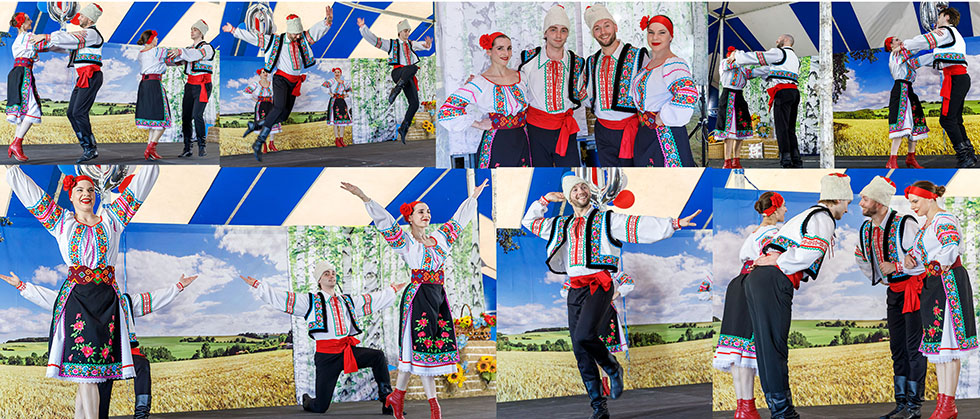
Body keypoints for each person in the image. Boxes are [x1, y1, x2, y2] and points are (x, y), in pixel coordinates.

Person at [521, 173, 701, 419]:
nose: (581, 191)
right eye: (575, 190)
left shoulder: (606, 219)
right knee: (579, 350)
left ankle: (611, 365)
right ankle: (599, 408)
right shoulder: (561, 224)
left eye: (584, 187)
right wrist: (544, 200)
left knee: (585, 335)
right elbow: (529, 222)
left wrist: (674, 224)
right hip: (575, 289)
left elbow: (638, 225)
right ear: (569, 197)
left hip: (600, 283)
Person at [6, 164, 159, 418]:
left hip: (107, 302)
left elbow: (138, 189)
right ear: (71, 195)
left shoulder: (113, 220)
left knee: (91, 373)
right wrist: (13, 172)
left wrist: (150, 163)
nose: (86, 193)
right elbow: (34, 196)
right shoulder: (61, 222)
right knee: (85, 374)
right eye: (79, 189)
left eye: (90, 189)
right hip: (77, 302)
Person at [341, 178, 488, 419]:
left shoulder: (441, 239)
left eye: (428, 211)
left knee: (426, 352)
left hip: (438, 298)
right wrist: (364, 197)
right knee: (414, 351)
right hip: (418, 296)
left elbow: (459, 221)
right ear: (410, 217)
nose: (426, 214)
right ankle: (433, 406)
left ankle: (398, 397)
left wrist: (473, 197)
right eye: (421, 211)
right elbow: (386, 222)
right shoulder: (406, 243)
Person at [0, 272, 197, 419]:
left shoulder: (123, 301)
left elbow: (152, 299)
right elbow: (54, 299)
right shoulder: (79, 299)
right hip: (100, 357)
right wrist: (22, 287)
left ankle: (141, 412)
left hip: (122, 353)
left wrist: (178, 286)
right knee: (95, 389)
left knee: (142, 365)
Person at [744, 173, 852, 419]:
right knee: (775, 347)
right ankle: (783, 412)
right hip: (773, 280)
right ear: (837, 199)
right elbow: (809, 251)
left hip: (760, 280)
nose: (847, 209)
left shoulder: (805, 215)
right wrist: (780, 260)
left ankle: (779, 409)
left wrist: (774, 259)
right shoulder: (823, 218)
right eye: (847, 202)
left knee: (766, 348)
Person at [240, 261, 406, 415]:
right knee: (320, 407)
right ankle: (307, 401)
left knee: (377, 356)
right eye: (326, 273)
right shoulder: (310, 301)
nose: (331, 275)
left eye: (333, 273)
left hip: (346, 351)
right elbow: (284, 298)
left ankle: (388, 402)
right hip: (326, 358)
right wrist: (259, 286)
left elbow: (371, 300)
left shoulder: (346, 301)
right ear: (319, 279)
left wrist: (391, 290)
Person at [853, 176, 928, 419]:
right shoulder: (866, 229)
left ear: (880, 202)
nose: (861, 203)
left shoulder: (905, 223)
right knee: (897, 348)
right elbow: (861, 256)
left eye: (865, 198)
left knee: (914, 349)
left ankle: (914, 407)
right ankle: (902, 403)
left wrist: (895, 266)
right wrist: (878, 275)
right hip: (893, 291)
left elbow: (921, 259)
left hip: (913, 290)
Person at [904, 181, 978, 418]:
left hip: (948, 283)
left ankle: (948, 405)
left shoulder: (944, 220)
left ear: (930, 198)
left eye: (915, 201)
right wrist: (908, 260)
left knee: (949, 344)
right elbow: (919, 258)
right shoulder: (926, 226)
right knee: (941, 348)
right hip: (934, 284)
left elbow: (951, 245)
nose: (912, 206)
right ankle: (945, 405)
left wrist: (936, 263)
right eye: (910, 202)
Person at [224, 6, 333, 161]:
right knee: (279, 107)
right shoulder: (276, 41)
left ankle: (255, 125)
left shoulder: (302, 39)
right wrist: (235, 31)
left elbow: (316, 32)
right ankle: (259, 141)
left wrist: (327, 22)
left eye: (299, 33)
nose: (297, 36)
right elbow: (257, 39)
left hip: (294, 82)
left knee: (283, 116)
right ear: (289, 31)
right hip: (280, 79)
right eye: (295, 33)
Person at [714, 192, 786, 419]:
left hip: (738, 285)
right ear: (774, 210)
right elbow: (777, 260)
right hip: (755, 286)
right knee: (749, 346)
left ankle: (744, 408)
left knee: (739, 347)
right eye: (784, 207)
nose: (786, 211)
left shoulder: (753, 233)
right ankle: (747, 409)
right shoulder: (775, 233)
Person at [438, 32, 530, 168]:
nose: (506, 53)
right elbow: (446, 112)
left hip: (523, 139)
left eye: (509, 48)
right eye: (500, 48)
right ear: (489, 51)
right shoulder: (480, 82)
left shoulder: (521, 77)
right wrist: (478, 124)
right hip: (496, 142)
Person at [902, 7, 976, 168]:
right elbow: (939, 56)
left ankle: (965, 157)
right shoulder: (956, 36)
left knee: (947, 119)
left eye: (940, 16)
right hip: (960, 77)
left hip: (955, 79)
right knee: (956, 119)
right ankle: (969, 153)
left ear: (947, 17)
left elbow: (923, 41)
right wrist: (915, 63)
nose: (937, 20)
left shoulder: (945, 31)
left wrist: (904, 45)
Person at [32, 3, 105, 163]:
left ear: (90, 18)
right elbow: (65, 47)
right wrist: (44, 47)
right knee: (71, 112)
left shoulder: (91, 34)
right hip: (83, 77)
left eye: (83, 16)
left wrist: (46, 36)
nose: (79, 17)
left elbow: (70, 38)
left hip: (91, 75)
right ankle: (87, 147)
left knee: (79, 112)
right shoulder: (84, 38)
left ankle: (90, 149)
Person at [518, 4, 586, 167]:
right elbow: (512, 85)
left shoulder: (576, 62)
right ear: (545, 32)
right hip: (536, 130)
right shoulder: (528, 60)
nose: (558, 35)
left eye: (564, 30)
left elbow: (583, 93)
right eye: (553, 29)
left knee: (570, 170)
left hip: (565, 128)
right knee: (541, 172)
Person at [628, 15, 698, 167]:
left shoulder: (674, 64)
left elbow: (688, 95)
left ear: (671, 36)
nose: (655, 37)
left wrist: (662, 117)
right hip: (645, 133)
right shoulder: (648, 65)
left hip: (665, 134)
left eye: (662, 32)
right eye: (651, 32)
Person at [729, 34, 802, 168]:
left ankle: (785, 158)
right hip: (794, 93)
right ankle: (796, 158)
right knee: (790, 128)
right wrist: (751, 74)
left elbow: (758, 57)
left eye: (779, 38)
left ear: (786, 40)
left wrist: (737, 55)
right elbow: (771, 71)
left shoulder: (779, 53)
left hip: (782, 92)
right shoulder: (795, 59)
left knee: (782, 128)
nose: (776, 40)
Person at [357, 17, 433, 143]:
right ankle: (396, 90)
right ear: (399, 32)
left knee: (415, 103)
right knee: (413, 67)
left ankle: (404, 128)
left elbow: (424, 45)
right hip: (398, 73)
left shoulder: (411, 44)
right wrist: (363, 28)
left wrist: (428, 45)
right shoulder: (391, 44)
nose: (407, 33)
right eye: (405, 31)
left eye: (408, 31)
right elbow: (375, 40)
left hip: (407, 77)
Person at [134, 30, 196, 161]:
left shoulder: (141, 54)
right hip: (155, 85)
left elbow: (164, 62)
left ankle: (151, 151)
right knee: (162, 120)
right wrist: (187, 54)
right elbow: (174, 55)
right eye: (155, 38)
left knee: (153, 122)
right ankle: (150, 147)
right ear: (150, 40)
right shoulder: (158, 51)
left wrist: (177, 62)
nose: (157, 40)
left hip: (144, 85)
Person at [882, 37, 928, 169]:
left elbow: (914, 57)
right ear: (890, 45)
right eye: (896, 40)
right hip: (901, 89)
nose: (900, 40)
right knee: (901, 125)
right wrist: (904, 47)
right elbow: (913, 50)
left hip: (909, 89)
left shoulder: (903, 56)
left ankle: (911, 158)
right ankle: (892, 160)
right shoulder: (895, 54)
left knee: (914, 125)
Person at [174, 19, 216, 158]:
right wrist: (170, 56)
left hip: (203, 85)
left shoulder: (207, 48)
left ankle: (202, 146)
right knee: (186, 116)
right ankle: (187, 148)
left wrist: (180, 51)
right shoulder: (189, 49)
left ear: (201, 33)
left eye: (195, 29)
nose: (192, 31)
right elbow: (178, 60)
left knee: (197, 115)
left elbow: (194, 56)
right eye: (191, 29)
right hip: (190, 85)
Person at [715, 46, 762, 169]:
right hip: (728, 96)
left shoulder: (743, 70)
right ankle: (727, 161)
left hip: (739, 97)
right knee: (729, 132)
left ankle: (736, 159)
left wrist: (770, 69)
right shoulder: (725, 63)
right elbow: (735, 63)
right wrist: (736, 55)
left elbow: (754, 72)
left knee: (741, 131)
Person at [5, 12, 40, 162]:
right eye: (28, 19)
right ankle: (16, 143)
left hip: (16, 73)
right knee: (33, 108)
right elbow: (40, 49)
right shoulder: (28, 36)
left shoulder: (17, 41)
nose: (31, 20)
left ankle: (15, 144)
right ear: (23, 24)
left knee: (23, 112)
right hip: (24, 72)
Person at [243, 69, 282, 154]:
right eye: (263, 72)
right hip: (261, 106)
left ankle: (271, 144)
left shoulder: (271, 83)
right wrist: (254, 99)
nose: (265, 74)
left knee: (272, 123)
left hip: (271, 105)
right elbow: (246, 92)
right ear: (260, 75)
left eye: (266, 72)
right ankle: (263, 144)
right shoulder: (256, 84)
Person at [322, 68, 353, 148]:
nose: (337, 73)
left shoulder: (344, 82)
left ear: (341, 73)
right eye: (335, 72)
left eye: (338, 72)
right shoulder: (332, 81)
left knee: (343, 121)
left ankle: (341, 139)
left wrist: (347, 94)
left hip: (342, 102)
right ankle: (337, 139)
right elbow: (324, 86)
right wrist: (329, 93)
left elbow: (350, 89)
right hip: (334, 101)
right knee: (335, 122)